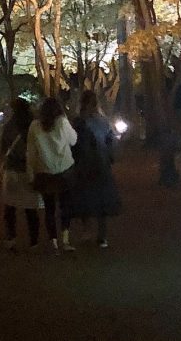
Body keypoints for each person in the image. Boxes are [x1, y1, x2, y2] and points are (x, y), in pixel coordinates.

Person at [26, 96, 78, 252]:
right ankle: (65, 239)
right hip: (64, 170)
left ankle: (53, 240)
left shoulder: (35, 126)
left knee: (49, 208)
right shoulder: (62, 122)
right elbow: (74, 140)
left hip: (44, 172)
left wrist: (31, 173)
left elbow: (31, 152)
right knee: (65, 206)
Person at [71, 90, 121, 247]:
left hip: (83, 164)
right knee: (102, 199)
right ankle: (102, 236)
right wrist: (110, 156)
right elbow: (110, 141)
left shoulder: (79, 122)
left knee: (84, 198)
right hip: (101, 163)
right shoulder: (103, 121)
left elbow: (73, 143)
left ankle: (87, 230)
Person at [0, 96, 42, 251]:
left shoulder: (9, 126)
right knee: (31, 208)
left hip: (12, 170)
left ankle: (11, 238)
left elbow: (4, 148)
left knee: (10, 206)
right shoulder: (34, 126)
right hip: (29, 169)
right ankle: (34, 241)